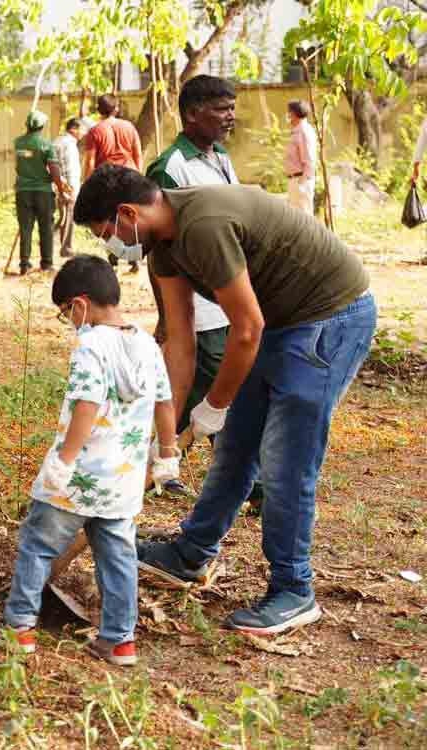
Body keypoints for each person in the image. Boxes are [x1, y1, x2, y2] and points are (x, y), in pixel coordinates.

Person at [73, 165, 376, 635]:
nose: (111, 243)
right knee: (235, 447)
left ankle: (294, 590)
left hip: (329, 318)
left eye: (108, 232)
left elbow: (246, 328)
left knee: (284, 461)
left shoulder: (204, 226)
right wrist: (166, 435)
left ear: (129, 212)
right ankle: (189, 554)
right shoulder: (164, 248)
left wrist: (213, 407)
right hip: (278, 323)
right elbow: (180, 341)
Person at [0, 255, 179, 666]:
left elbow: (87, 405)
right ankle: (119, 640)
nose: (69, 321)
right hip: (121, 485)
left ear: (81, 304)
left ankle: (18, 628)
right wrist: (166, 453)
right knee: (119, 559)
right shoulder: (146, 343)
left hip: (78, 479)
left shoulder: (90, 346)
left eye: (66, 312)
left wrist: (63, 463)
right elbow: (164, 403)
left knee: (37, 546)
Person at [144, 74, 237, 498]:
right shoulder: (170, 167)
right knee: (213, 386)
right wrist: (167, 313)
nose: (230, 117)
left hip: (227, 295)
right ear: (192, 113)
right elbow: (155, 245)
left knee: (202, 388)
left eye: (231, 108)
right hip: (196, 303)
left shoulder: (219, 157)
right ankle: (245, 481)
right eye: (221, 109)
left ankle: (156, 464)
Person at [81, 94, 145, 273]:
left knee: (108, 221)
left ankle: (115, 256)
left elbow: (90, 162)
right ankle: (133, 260)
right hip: (129, 177)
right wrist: (138, 177)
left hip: (106, 181)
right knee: (130, 219)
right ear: (116, 109)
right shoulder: (129, 127)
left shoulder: (95, 131)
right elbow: (138, 154)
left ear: (98, 110)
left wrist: (87, 184)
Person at [13, 110, 66, 274]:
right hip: (43, 192)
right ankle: (47, 263)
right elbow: (54, 169)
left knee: (25, 228)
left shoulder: (18, 143)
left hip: (23, 191)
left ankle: (24, 264)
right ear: (42, 126)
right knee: (46, 228)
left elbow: (23, 160)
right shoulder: (46, 145)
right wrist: (61, 188)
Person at [52, 119, 83, 258]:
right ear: (74, 129)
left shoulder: (58, 141)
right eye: (81, 130)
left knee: (64, 217)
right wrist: (70, 189)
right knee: (68, 216)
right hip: (67, 186)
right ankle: (65, 247)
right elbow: (69, 168)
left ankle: (54, 243)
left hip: (59, 185)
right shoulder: (69, 144)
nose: (83, 133)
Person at [284, 100, 319, 214]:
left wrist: (302, 183)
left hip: (301, 180)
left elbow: (310, 160)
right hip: (294, 179)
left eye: (289, 112)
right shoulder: (296, 131)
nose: (288, 115)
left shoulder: (304, 131)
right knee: (296, 218)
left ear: (294, 114)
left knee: (304, 217)